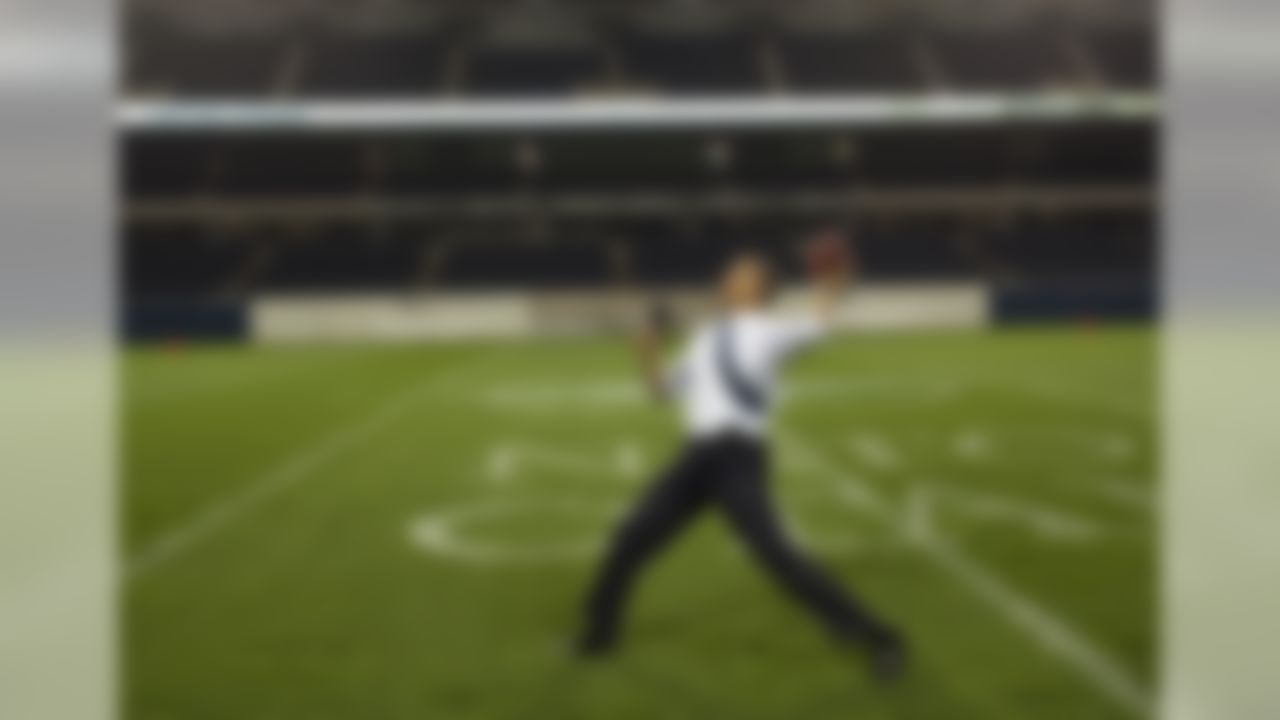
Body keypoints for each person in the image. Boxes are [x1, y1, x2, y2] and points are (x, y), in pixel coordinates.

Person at [576, 229, 906, 681]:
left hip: (736, 456)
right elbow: (661, 391)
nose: (728, 274)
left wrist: (831, 280)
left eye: (740, 271)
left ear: (758, 289)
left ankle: (881, 638)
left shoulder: (770, 331)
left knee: (779, 558)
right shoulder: (704, 337)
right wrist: (649, 355)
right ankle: (600, 631)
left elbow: (819, 323)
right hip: (695, 458)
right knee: (630, 537)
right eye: (730, 270)